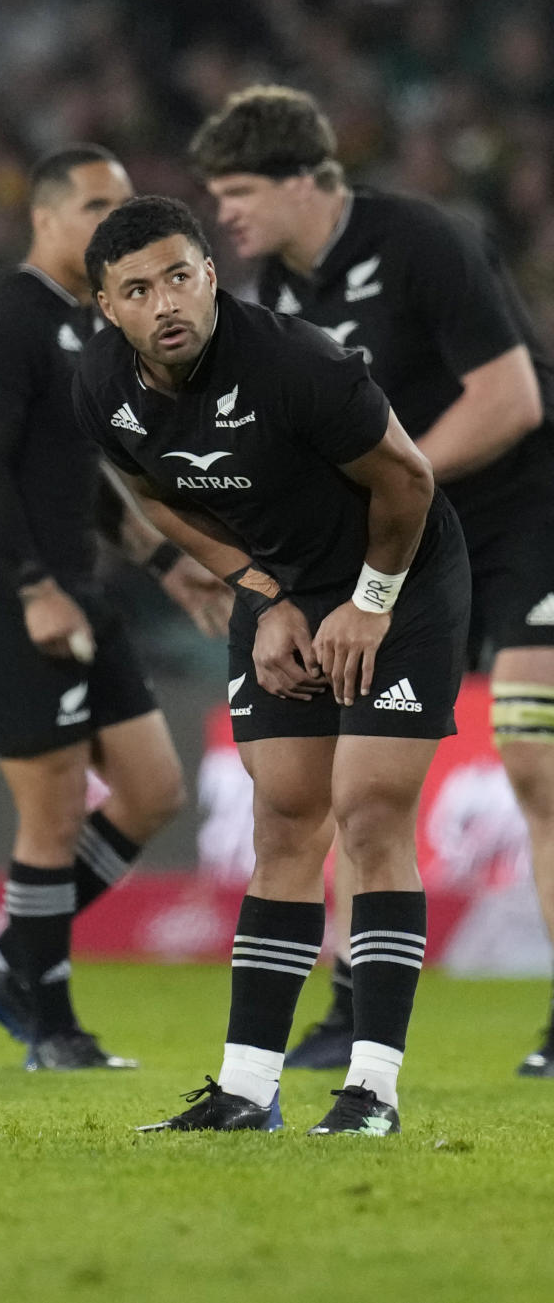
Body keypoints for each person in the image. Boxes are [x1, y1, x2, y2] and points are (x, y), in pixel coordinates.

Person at [74, 194, 470, 1134]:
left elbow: (409, 482)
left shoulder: (297, 364)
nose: (165, 300)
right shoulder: (103, 390)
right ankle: (248, 1089)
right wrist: (258, 590)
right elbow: (149, 493)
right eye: (138, 288)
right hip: (284, 589)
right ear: (106, 308)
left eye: (180, 274)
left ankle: (371, 1090)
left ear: (211, 273)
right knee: (285, 818)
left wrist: (367, 607)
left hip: (399, 574)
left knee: (369, 808)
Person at [189, 84, 554, 1076]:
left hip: (524, 521)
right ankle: (353, 1004)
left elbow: (512, 397)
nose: (226, 214)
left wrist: (400, 487)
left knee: (535, 756)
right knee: (360, 781)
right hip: (401, 543)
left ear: (306, 181)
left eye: (239, 190)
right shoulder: (269, 298)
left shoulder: (422, 244)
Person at [0, 147, 231, 1072]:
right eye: (98, 206)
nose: (114, 223)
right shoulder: (7, 323)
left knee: (153, 791)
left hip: (84, 592)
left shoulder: (88, 327)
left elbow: (80, 473)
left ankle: (6, 958)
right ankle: (51, 1023)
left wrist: (160, 559)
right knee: (56, 811)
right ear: (48, 216)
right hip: (8, 597)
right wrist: (32, 586)